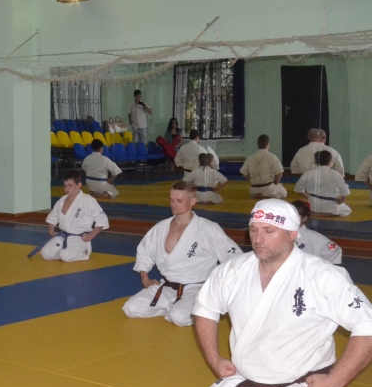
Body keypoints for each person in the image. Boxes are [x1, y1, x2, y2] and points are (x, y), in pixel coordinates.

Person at [182, 199, 372, 387]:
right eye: (254, 230)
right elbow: (205, 310)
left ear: (293, 234)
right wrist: (214, 359)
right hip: (248, 381)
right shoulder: (233, 270)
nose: (258, 239)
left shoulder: (322, 275)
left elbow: (367, 326)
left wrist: (335, 381)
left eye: (269, 231)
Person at [122, 182, 240, 327]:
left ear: (192, 202)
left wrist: (222, 288)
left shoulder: (207, 229)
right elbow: (145, 251)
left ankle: (209, 307)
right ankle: (176, 307)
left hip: (195, 288)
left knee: (179, 318)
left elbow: (234, 258)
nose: (174, 204)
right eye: (171, 200)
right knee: (131, 308)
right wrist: (145, 278)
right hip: (167, 287)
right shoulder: (161, 227)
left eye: (179, 201)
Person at [39, 170, 109, 262]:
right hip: (63, 236)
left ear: (79, 185)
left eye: (70, 185)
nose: (67, 188)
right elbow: (52, 217)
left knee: (65, 256)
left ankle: (84, 252)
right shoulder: (62, 201)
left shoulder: (88, 200)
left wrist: (89, 237)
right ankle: (65, 252)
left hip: (79, 238)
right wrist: (51, 231)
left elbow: (102, 220)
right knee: (46, 254)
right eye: (65, 186)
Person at [295, 150, 351, 216]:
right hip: (330, 204)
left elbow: (298, 188)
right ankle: (328, 213)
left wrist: (308, 197)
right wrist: (341, 201)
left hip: (313, 204)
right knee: (348, 210)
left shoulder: (308, 173)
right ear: (330, 162)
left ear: (315, 162)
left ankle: (316, 212)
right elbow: (344, 191)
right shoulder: (335, 174)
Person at [292, 200, 343, 266]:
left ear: (304, 218)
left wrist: (319, 269)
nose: (291, 219)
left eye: (295, 216)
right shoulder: (282, 234)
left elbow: (334, 252)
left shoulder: (316, 239)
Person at [240, 134, 288, 199]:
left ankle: (257, 195)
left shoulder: (250, 158)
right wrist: (276, 183)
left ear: (258, 145)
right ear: (268, 144)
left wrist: (251, 179)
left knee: (256, 191)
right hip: (268, 187)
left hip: (254, 188)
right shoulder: (272, 157)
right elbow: (279, 172)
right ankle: (268, 196)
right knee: (284, 193)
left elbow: (243, 172)